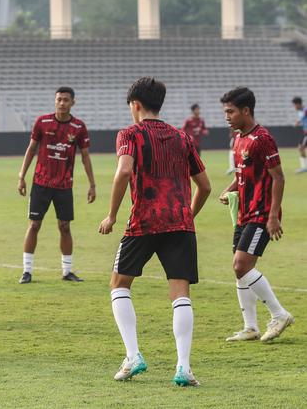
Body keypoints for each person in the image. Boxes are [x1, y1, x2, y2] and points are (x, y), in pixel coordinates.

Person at [99, 77, 211, 387]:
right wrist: (188, 212)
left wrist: (111, 215)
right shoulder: (182, 137)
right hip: (180, 222)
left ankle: (133, 355)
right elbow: (205, 186)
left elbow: (123, 170)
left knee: (119, 284)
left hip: (145, 220)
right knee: (180, 293)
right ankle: (184, 368)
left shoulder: (130, 134)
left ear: (135, 105)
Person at [219, 87, 294, 343]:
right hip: (243, 212)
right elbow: (242, 174)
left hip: (261, 214)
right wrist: (229, 190)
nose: (226, 116)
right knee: (239, 270)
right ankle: (250, 327)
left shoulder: (263, 139)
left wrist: (273, 216)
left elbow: (278, 178)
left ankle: (279, 314)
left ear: (246, 111)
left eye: (230, 111)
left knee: (242, 265)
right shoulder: (239, 138)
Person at [17, 87, 96, 284]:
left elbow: (85, 157)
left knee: (65, 227)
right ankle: (27, 271)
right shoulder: (42, 122)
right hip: (41, 183)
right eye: (59, 99)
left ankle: (67, 271)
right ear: (55, 101)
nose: (62, 103)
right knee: (34, 225)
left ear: (72, 103)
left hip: (64, 185)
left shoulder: (78, 127)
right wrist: (21, 176)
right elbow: (31, 149)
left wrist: (92, 184)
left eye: (66, 100)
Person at [292, 96, 307, 173]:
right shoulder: (301, 111)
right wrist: (298, 122)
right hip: (305, 132)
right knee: (301, 148)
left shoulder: (305, 110)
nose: (294, 107)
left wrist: (298, 121)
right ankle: (304, 167)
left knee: (301, 147)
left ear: (298, 104)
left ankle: (304, 167)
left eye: (294, 105)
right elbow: (303, 119)